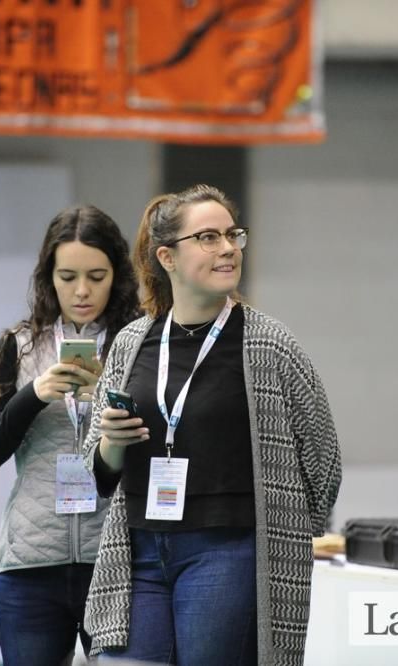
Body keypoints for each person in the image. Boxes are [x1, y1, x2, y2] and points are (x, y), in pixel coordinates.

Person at [80, 184, 342, 666]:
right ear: (168, 257)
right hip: (137, 552)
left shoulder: (270, 344)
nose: (227, 248)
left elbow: (322, 459)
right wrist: (112, 445)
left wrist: (285, 537)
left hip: (225, 552)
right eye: (207, 237)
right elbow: (97, 470)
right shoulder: (132, 343)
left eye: (232, 235)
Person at [0, 204, 139, 666]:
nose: (82, 291)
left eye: (96, 276)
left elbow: (166, 443)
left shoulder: (141, 344)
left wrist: (110, 390)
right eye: (67, 277)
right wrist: (35, 393)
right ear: (49, 277)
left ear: (117, 276)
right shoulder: (19, 344)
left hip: (116, 561)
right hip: (31, 565)